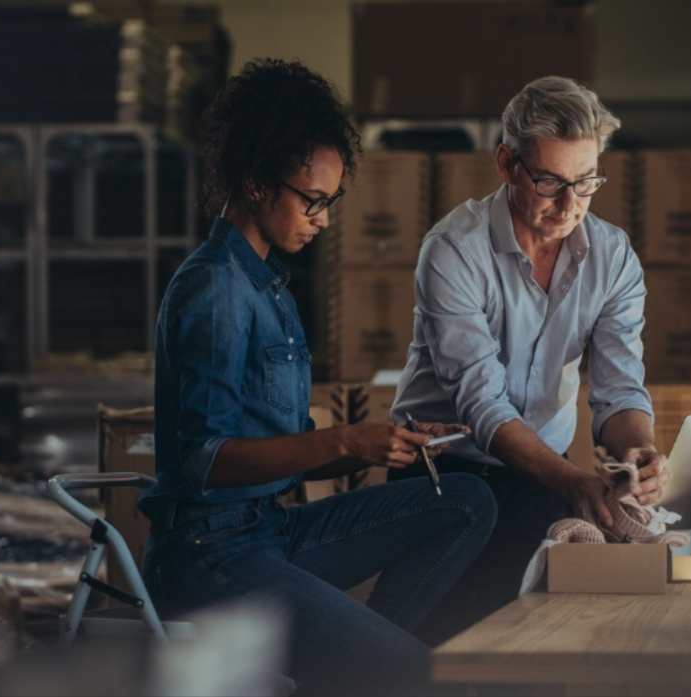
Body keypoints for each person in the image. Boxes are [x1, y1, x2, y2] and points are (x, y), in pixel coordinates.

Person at [137, 57, 497, 697]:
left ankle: (354, 668)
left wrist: (391, 439)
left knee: (466, 499)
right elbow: (203, 460)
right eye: (312, 200)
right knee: (415, 673)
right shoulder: (217, 288)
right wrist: (345, 442)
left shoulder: (269, 283)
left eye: (331, 201)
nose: (323, 219)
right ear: (254, 182)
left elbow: (289, 454)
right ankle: (371, 668)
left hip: (270, 531)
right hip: (206, 555)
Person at [389, 75, 672, 646]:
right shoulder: (453, 251)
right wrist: (572, 481)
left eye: (586, 182)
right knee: (425, 649)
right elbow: (482, 405)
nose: (570, 206)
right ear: (506, 164)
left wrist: (638, 448)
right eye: (549, 182)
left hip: (545, 470)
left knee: (527, 646)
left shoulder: (612, 257)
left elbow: (618, 392)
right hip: (441, 471)